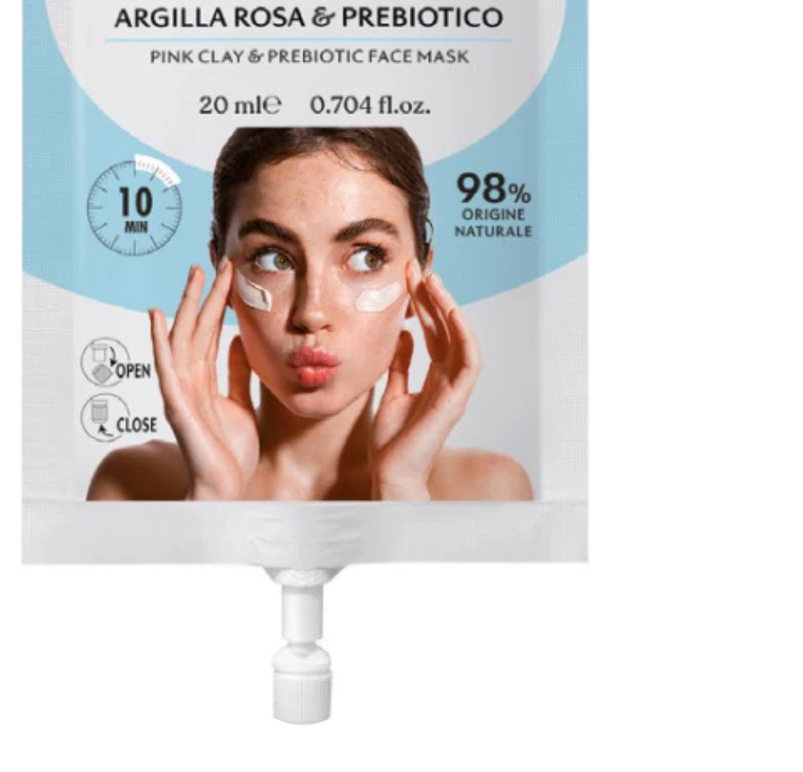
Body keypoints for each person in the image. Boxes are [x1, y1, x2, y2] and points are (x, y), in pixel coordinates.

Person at [88, 127, 532, 501]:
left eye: (367, 258)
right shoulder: (134, 488)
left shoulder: (487, 494)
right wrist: (210, 498)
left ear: (421, 278)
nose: (311, 313)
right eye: (273, 259)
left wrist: (401, 493)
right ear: (223, 273)